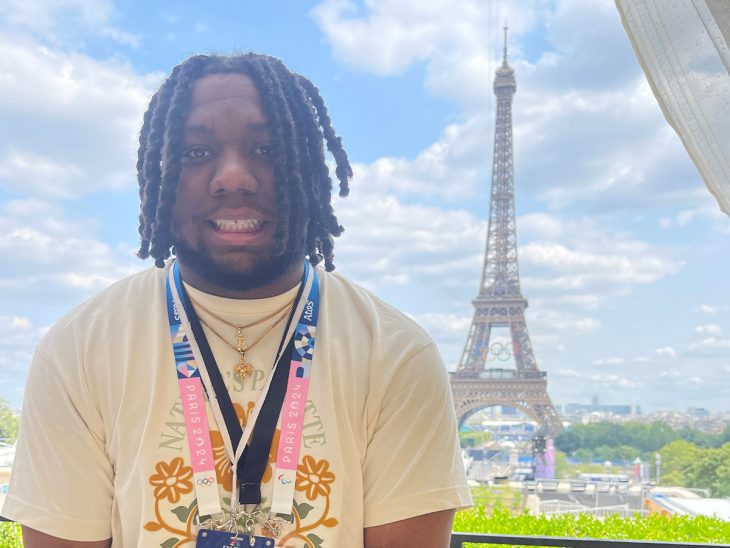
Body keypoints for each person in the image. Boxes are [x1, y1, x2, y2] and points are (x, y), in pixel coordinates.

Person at [2, 53, 471, 547]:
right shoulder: (76, 350)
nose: (234, 177)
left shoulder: (397, 355)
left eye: (267, 149)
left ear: (308, 167)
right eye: (196, 153)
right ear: (160, 178)